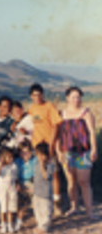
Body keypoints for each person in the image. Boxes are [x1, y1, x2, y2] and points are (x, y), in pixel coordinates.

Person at [56, 87, 98, 219]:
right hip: (67, 152)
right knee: (71, 181)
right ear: (67, 98)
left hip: (83, 152)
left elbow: (92, 132)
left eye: (79, 97)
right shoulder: (61, 114)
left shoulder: (86, 113)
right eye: (74, 97)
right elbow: (57, 135)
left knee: (84, 181)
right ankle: (74, 207)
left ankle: (89, 211)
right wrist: (58, 151)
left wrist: (94, 149)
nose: (76, 100)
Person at [28, 83, 63, 215]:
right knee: (40, 174)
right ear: (31, 96)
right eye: (34, 95)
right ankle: (41, 202)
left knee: (54, 174)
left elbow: (55, 125)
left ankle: (56, 203)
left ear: (43, 95)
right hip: (37, 146)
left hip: (49, 145)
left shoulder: (49, 106)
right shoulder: (32, 108)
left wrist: (52, 144)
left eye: (39, 94)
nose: (37, 97)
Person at [0, 147, 18, 233]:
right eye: (8, 157)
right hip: (2, 189)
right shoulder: (0, 166)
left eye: (11, 157)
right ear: (2, 157)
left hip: (11, 188)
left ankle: (10, 224)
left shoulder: (14, 166)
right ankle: (3, 224)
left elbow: (15, 177)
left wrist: (17, 185)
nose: (10, 159)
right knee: (3, 208)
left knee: (10, 208)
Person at [15, 140, 36, 232]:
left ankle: (40, 221)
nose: (25, 154)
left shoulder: (35, 160)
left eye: (28, 152)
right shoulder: (17, 162)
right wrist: (18, 184)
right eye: (23, 152)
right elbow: (15, 175)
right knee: (21, 204)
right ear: (19, 153)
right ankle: (18, 222)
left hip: (34, 184)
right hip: (22, 184)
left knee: (37, 203)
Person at [33, 142, 55, 234]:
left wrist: (43, 167)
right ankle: (40, 225)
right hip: (37, 193)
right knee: (37, 211)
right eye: (38, 155)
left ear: (47, 155)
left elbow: (46, 177)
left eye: (43, 155)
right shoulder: (36, 165)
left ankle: (44, 227)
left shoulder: (50, 166)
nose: (40, 157)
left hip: (45, 194)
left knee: (46, 211)